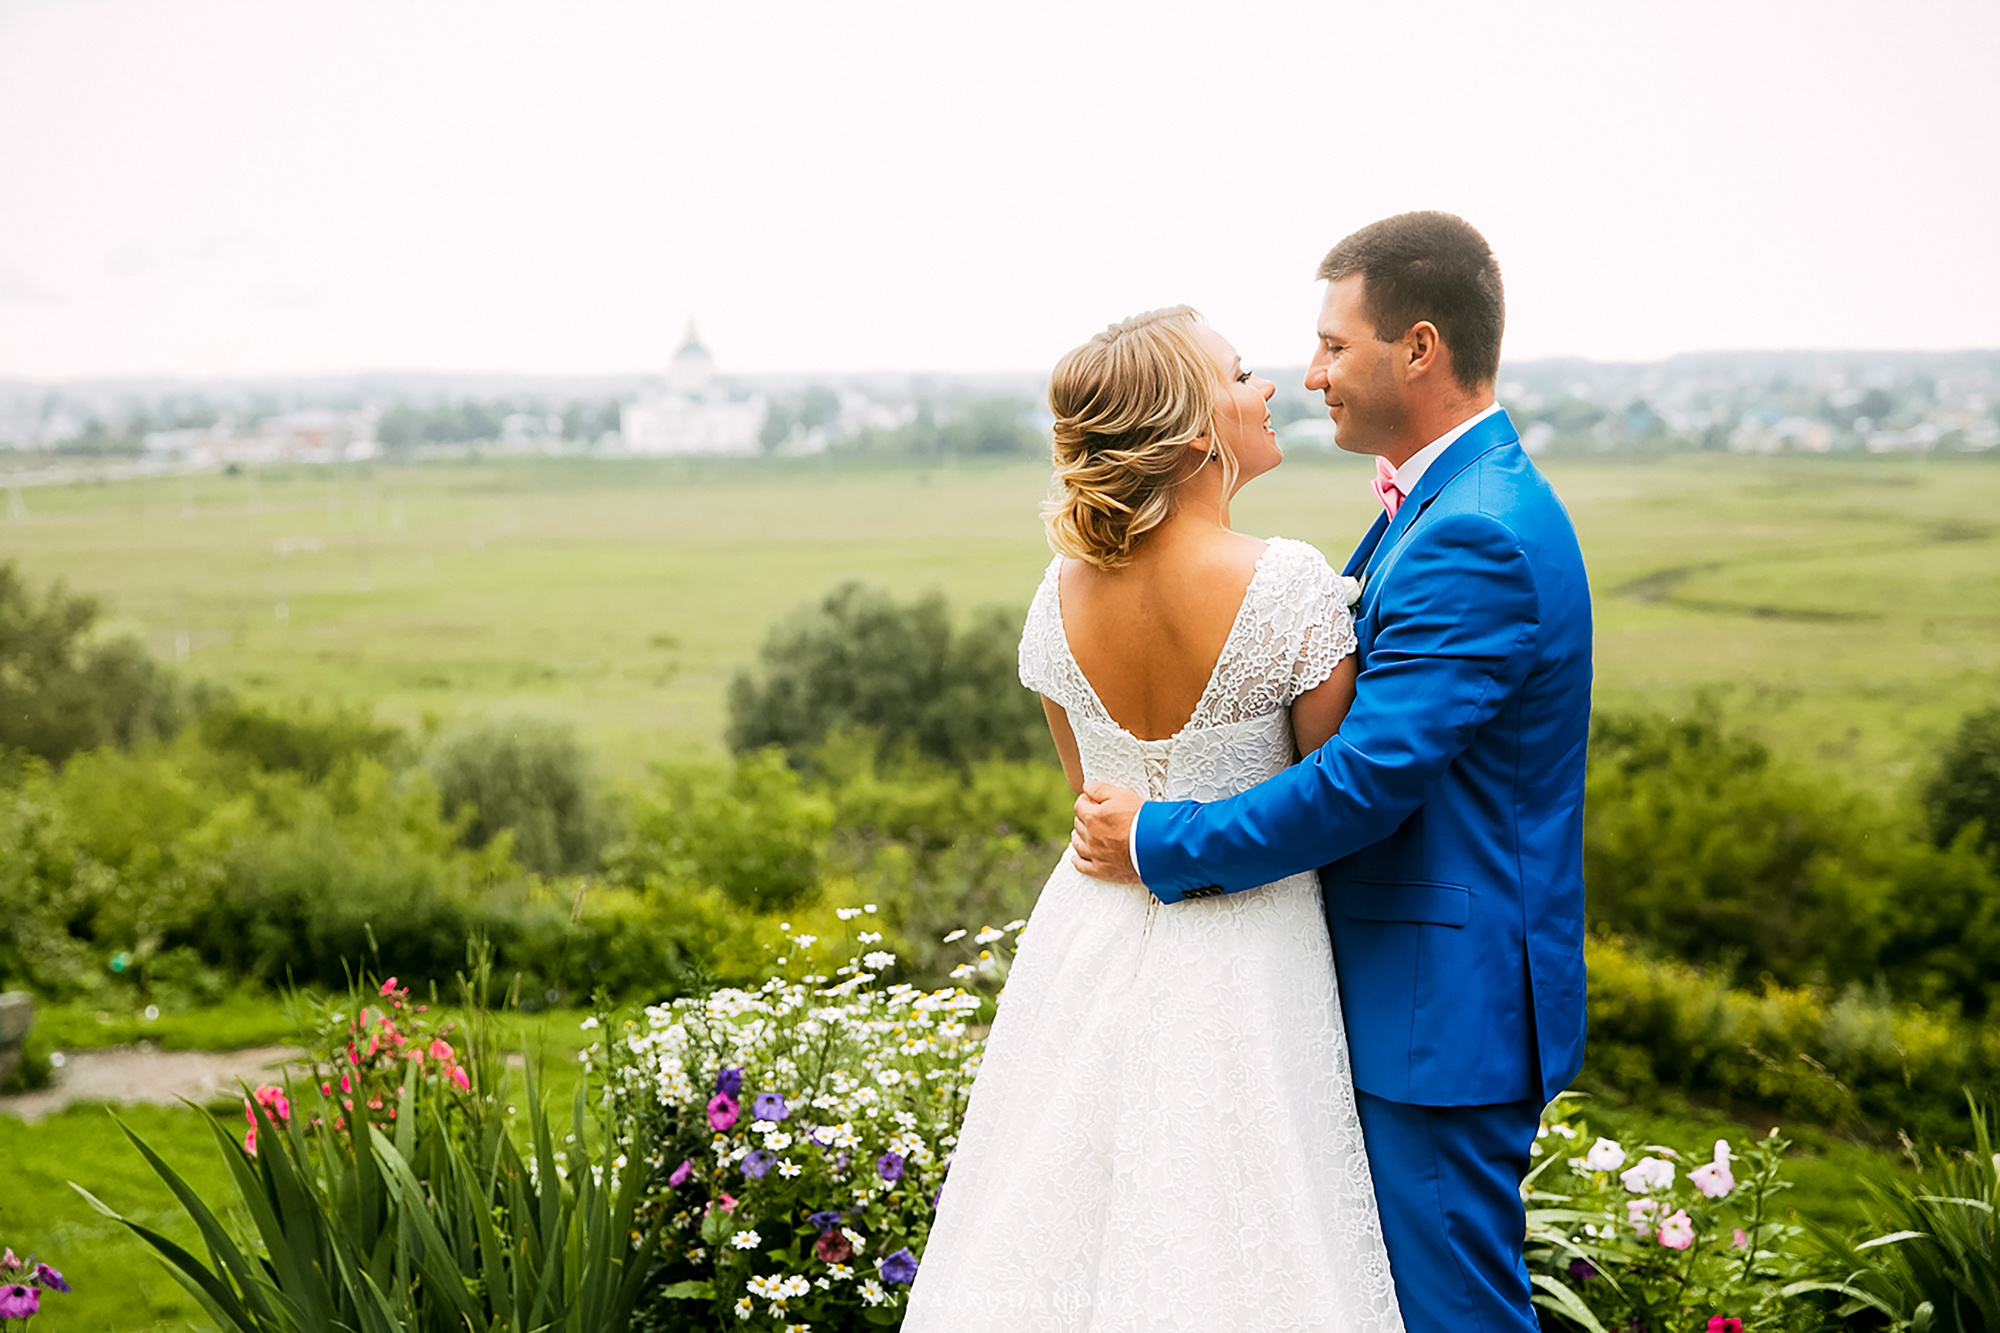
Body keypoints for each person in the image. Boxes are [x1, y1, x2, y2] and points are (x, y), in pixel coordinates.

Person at [1069, 212, 1593, 1333]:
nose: (1309, 377)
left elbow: (1367, 777)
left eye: (1331, 347)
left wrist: (1159, 838)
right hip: (1392, 989)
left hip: (1437, 1009)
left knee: (1451, 1314)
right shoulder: (1447, 507)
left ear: (1417, 348)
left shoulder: (1477, 534)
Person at [902, 305, 1403, 1333]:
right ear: (1191, 435)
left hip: (1085, 938)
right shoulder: (1288, 587)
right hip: (1249, 949)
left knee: (1061, 1222)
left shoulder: (1056, 594)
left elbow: (1086, 794)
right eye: (1239, 373)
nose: (1268, 388)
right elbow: (1339, 801)